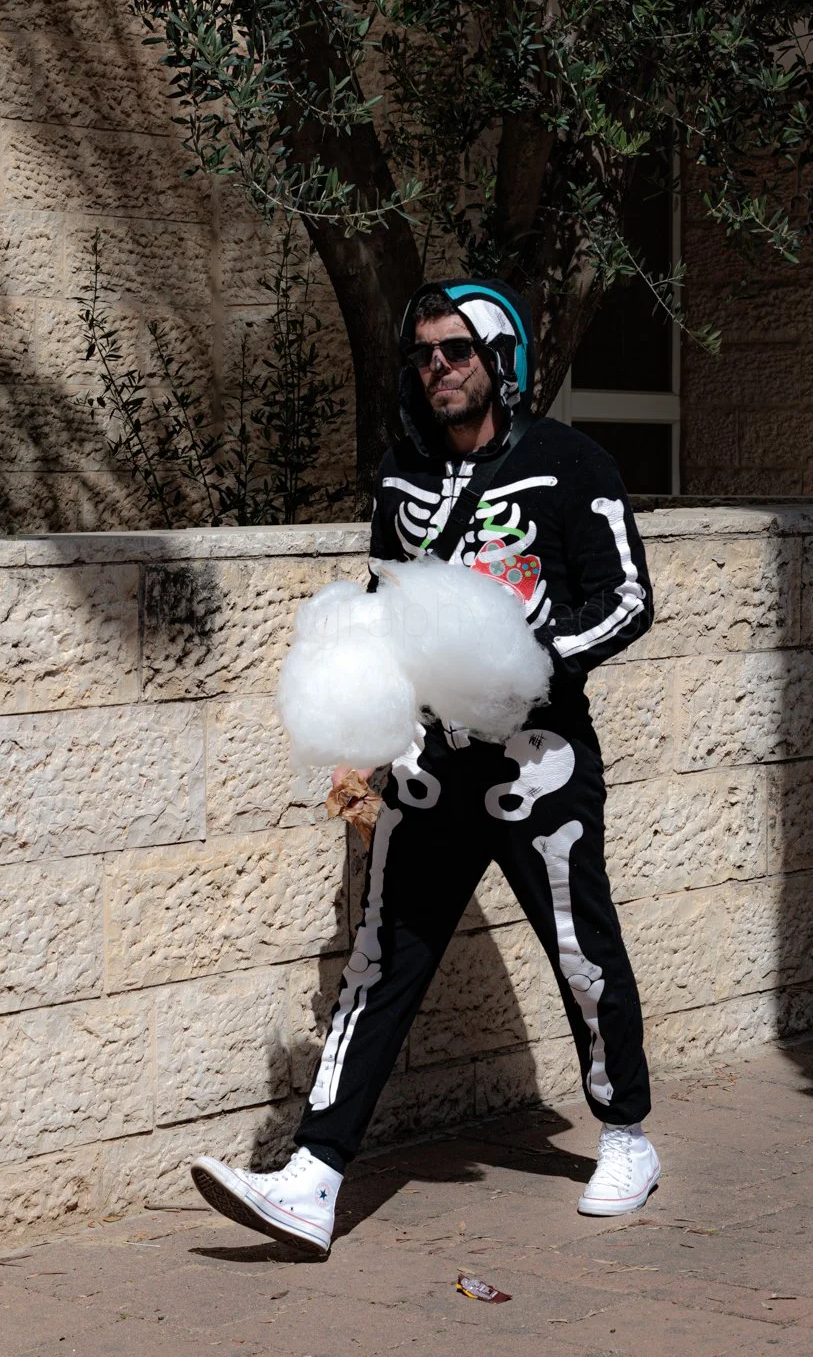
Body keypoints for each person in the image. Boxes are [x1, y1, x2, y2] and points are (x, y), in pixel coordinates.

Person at [191, 278, 659, 1255]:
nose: (437, 369)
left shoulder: (572, 464)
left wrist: (531, 658)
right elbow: (380, 606)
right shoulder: (402, 477)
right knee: (376, 965)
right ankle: (314, 1176)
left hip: (537, 762)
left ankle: (625, 1133)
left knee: (581, 950)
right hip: (429, 769)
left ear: (500, 359)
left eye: (456, 351)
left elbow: (625, 600)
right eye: (424, 355)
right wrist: (364, 743)